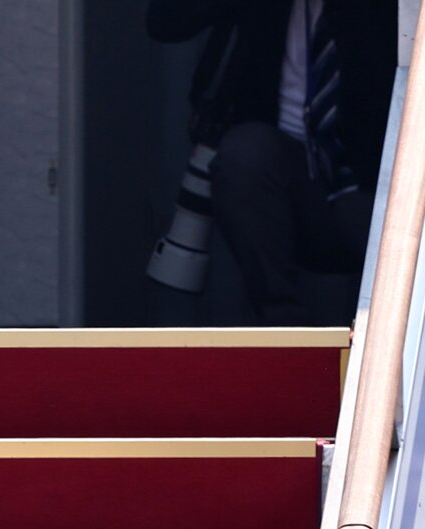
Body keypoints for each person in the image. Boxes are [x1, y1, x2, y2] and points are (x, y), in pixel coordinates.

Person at [149, 0, 395, 322]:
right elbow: (165, 21)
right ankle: (286, 338)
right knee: (245, 155)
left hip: (379, 193)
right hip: (291, 187)